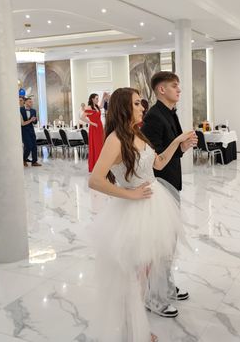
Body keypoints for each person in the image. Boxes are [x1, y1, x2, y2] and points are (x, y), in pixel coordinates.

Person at [88, 87, 194, 342]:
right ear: (123, 107)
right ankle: (132, 332)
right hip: (133, 210)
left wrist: (178, 143)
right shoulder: (115, 139)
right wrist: (130, 194)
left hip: (155, 205)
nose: (142, 107)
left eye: (141, 103)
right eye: (136, 103)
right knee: (132, 277)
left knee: (145, 272)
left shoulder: (138, 133)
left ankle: (139, 328)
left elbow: (158, 163)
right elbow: (95, 180)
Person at [141, 71, 197, 318]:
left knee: (169, 243)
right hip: (161, 184)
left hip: (172, 181)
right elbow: (154, 159)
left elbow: (170, 151)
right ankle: (154, 297)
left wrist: (183, 146)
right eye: (175, 86)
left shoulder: (170, 113)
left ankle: (166, 286)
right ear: (161, 89)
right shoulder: (154, 116)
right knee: (161, 244)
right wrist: (178, 144)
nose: (179, 89)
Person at [84, 93, 104, 172]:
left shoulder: (96, 106)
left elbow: (101, 106)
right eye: (96, 98)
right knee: (96, 146)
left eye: (98, 98)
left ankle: (100, 165)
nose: (97, 100)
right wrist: (92, 123)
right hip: (94, 128)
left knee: (100, 146)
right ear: (92, 99)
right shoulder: (89, 107)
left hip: (99, 128)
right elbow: (82, 117)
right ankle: (95, 166)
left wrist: (103, 97)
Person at [20, 97, 41, 167]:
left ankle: (34, 161)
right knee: (28, 146)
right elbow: (21, 122)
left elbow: (34, 122)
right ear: (25, 102)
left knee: (34, 146)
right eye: (29, 102)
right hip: (24, 131)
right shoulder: (20, 110)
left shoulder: (33, 110)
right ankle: (23, 159)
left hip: (31, 130)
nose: (31, 103)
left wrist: (34, 120)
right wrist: (31, 120)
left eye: (31, 102)